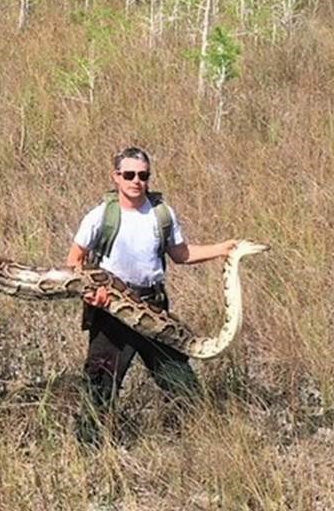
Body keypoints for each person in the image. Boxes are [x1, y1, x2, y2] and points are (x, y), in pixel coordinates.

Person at [65, 146, 236, 441]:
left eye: (143, 175)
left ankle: (204, 439)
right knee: (100, 385)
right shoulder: (100, 216)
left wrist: (222, 249)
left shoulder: (161, 214)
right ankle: (90, 451)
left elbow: (180, 254)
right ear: (116, 177)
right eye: (129, 175)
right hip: (112, 312)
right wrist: (93, 294)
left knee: (180, 380)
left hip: (153, 308)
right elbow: (74, 261)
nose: (136, 181)